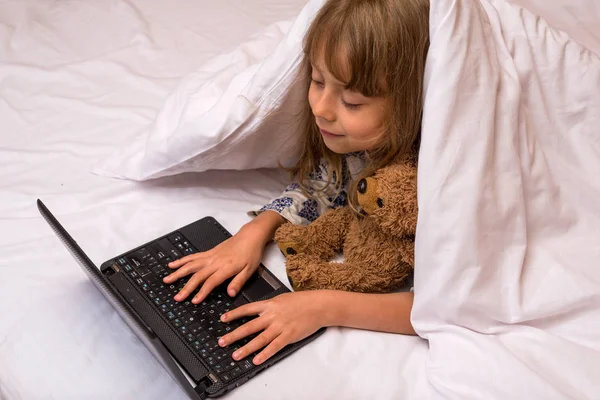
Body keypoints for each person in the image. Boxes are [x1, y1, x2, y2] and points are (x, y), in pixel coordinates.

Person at [163, 0, 429, 366]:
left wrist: (322, 307)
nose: (321, 107)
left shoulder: (432, 178)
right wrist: (254, 232)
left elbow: (445, 305)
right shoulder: (357, 145)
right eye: (317, 81)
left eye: (351, 101)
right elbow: (322, 189)